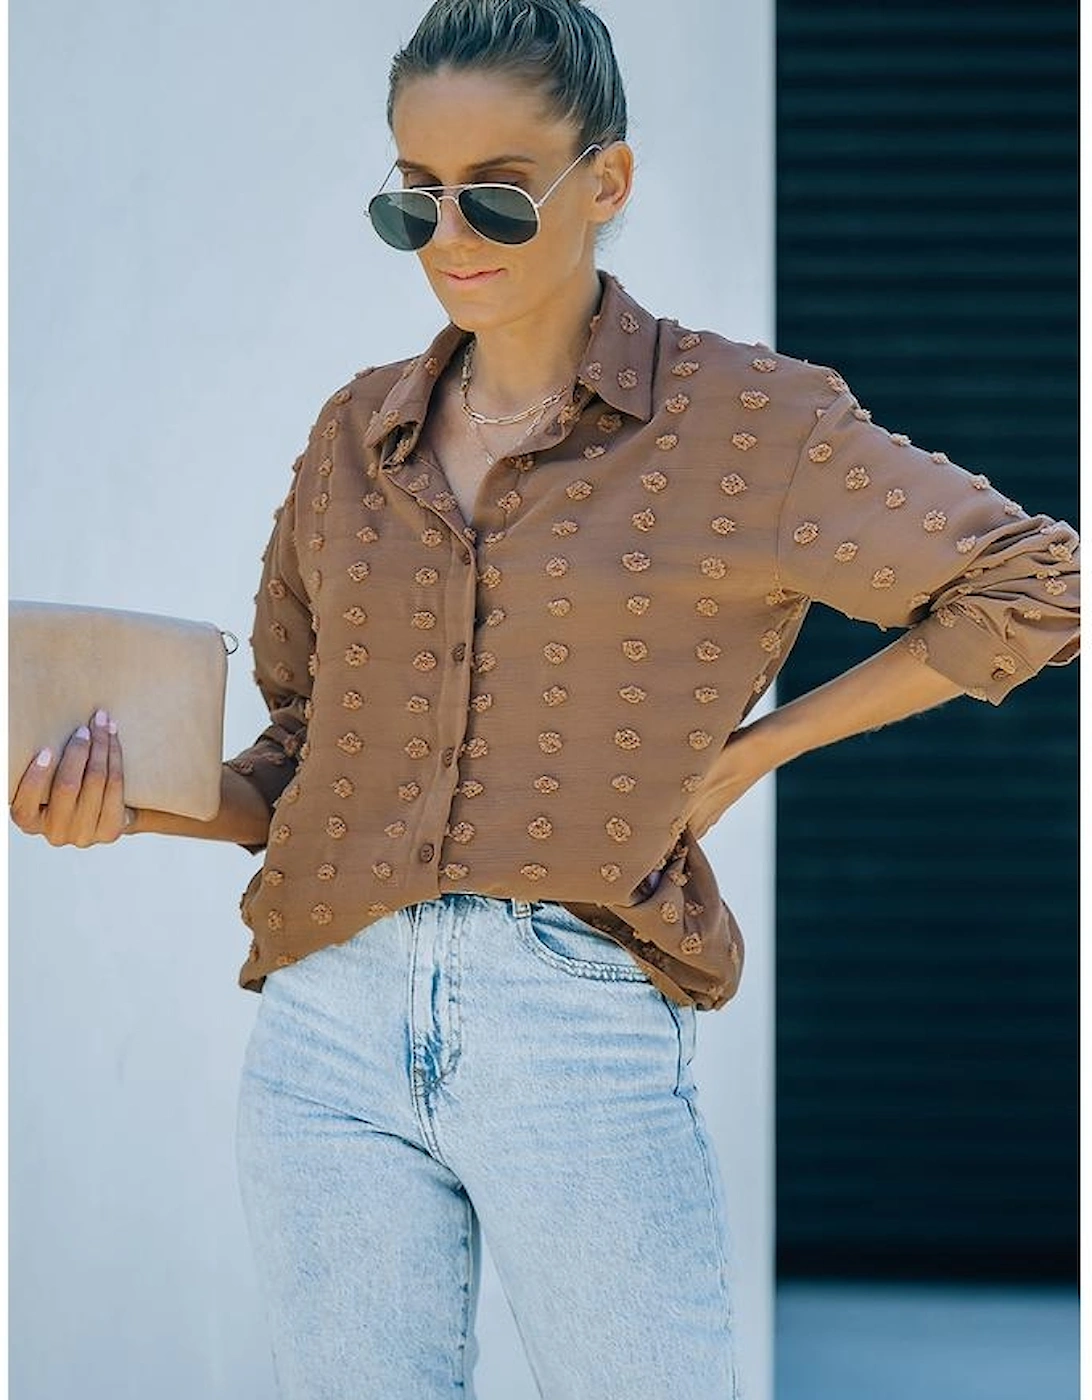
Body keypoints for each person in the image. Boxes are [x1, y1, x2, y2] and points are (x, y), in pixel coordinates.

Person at [9, 1, 1080, 1396]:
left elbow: (1036, 585)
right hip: (324, 1035)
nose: (451, 237)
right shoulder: (358, 434)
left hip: (577, 1027)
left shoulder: (747, 425)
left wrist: (761, 751)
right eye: (413, 203)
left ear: (607, 185)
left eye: (497, 197)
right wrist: (133, 806)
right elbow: (292, 755)